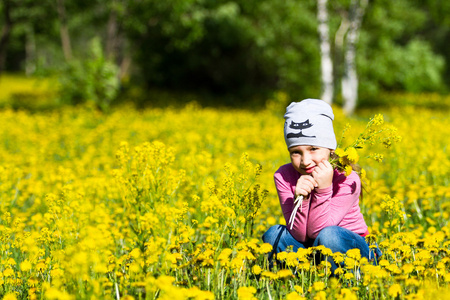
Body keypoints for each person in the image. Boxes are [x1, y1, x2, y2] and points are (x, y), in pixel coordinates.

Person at [262, 99, 380, 273]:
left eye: (313, 149)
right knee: (274, 234)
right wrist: (302, 199)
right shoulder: (283, 176)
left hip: (349, 246)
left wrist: (323, 189)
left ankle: (347, 280)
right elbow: (300, 235)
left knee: (329, 236)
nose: (305, 161)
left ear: (330, 148)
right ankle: (290, 281)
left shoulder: (348, 178)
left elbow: (320, 232)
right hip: (310, 246)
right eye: (296, 152)